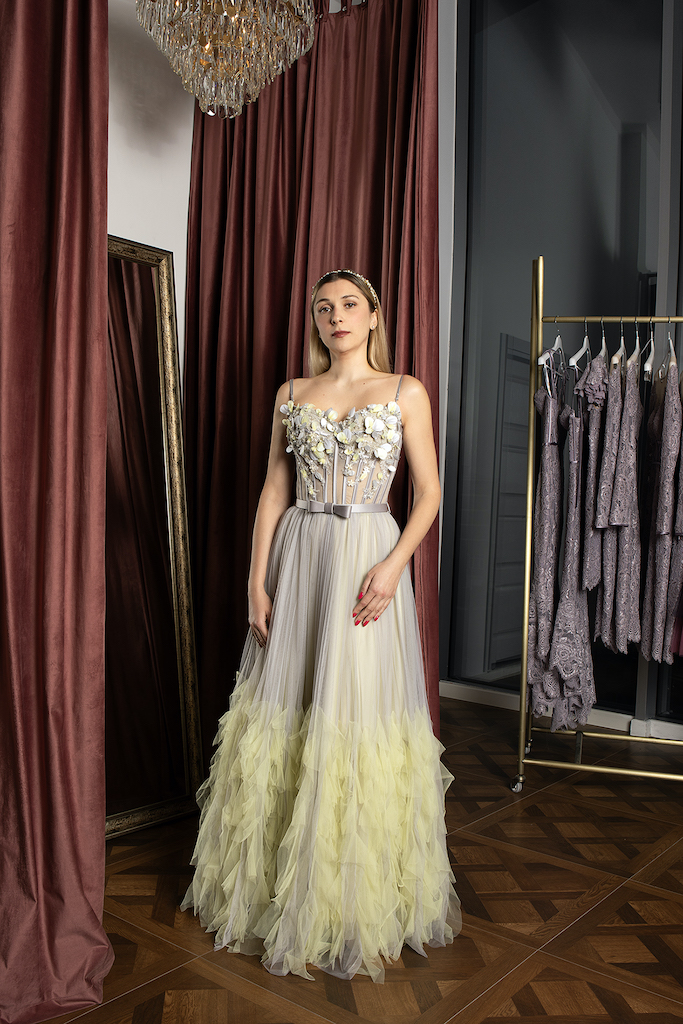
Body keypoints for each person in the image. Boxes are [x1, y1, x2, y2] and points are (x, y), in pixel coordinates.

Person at [181, 270, 461, 982]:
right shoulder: (292, 394)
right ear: (316, 321)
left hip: (368, 554)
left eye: (349, 305)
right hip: (301, 557)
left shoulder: (404, 391)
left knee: (356, 711)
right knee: (289, 706)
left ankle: (352, 904)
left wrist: (394, 566)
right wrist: (256, 581)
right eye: (324, 307)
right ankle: (278, 893)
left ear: (373, 316)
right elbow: (275, 489)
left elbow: (429, 492)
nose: (336, 316)